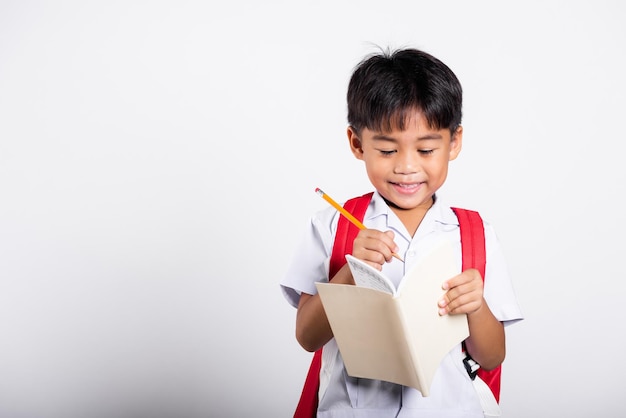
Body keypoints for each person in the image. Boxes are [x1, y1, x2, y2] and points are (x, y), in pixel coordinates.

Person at [280, 47, 523, 418]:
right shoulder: (333, 227)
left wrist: (476, 307)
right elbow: (307, 338)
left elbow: (491, 357)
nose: (407, 167)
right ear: (357, 144)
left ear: (454, 142)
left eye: (426, 149)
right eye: (388, 149)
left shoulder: (474, 234)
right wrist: (349, 271)